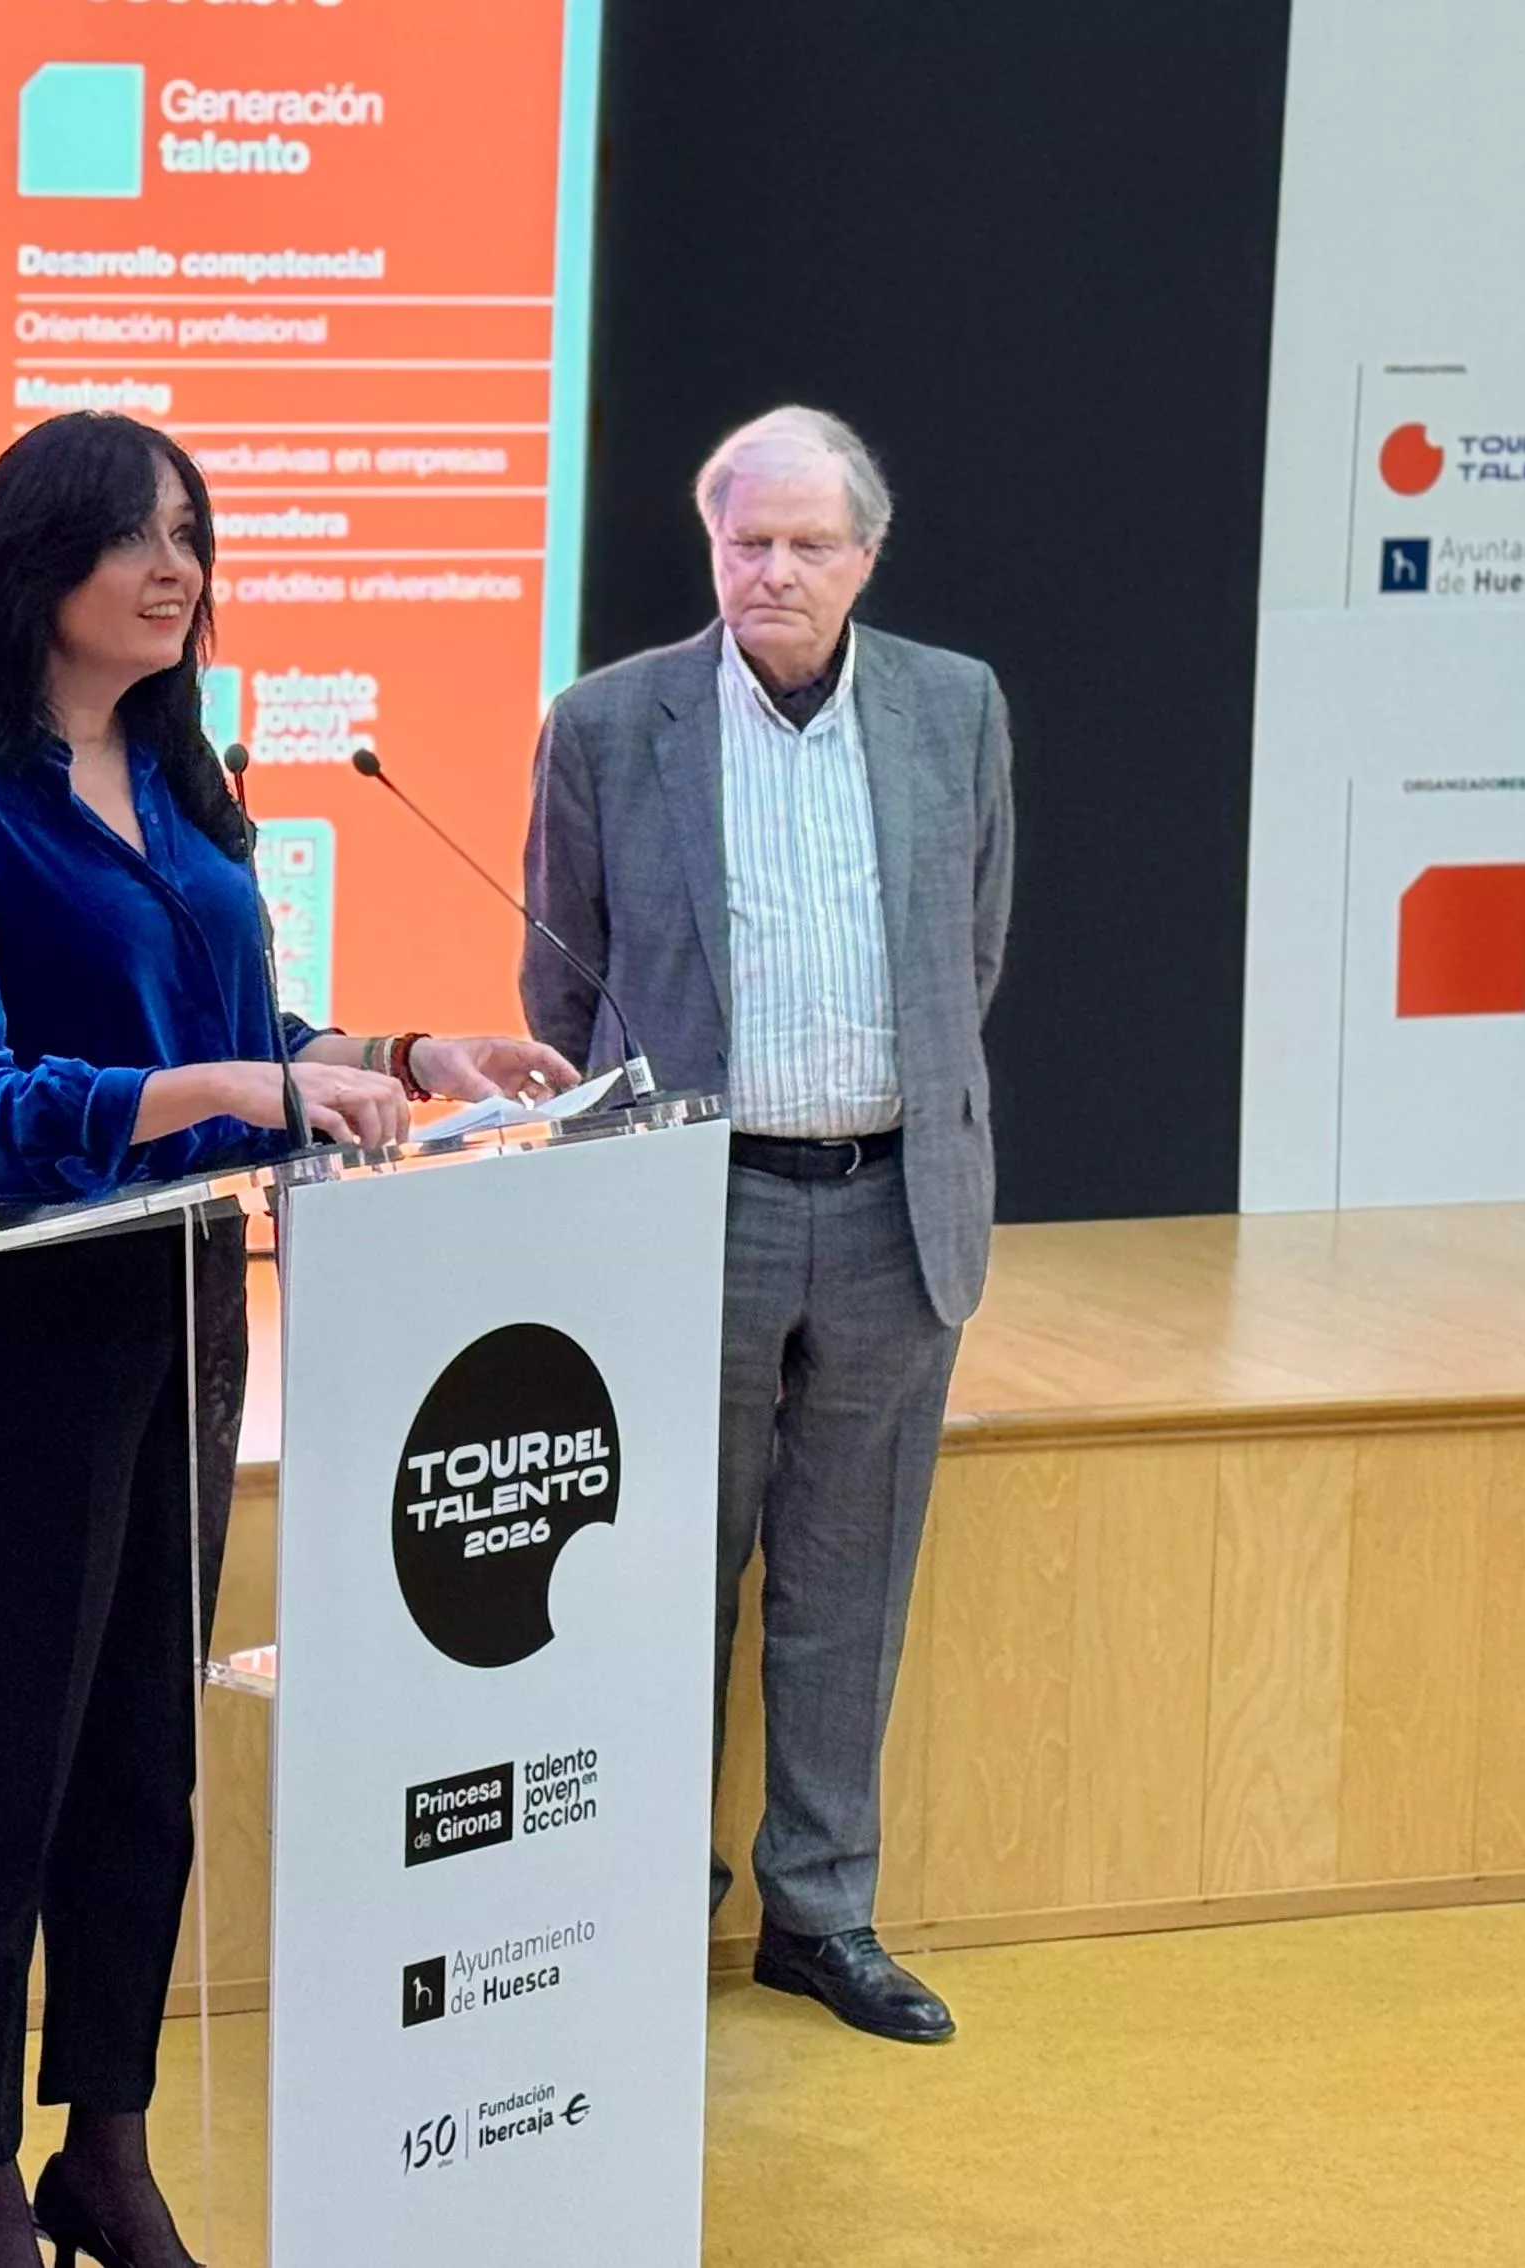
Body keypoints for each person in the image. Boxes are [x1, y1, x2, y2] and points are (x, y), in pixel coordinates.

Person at [0, 411, 576, 2268]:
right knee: (3, 1751)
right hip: (9, 1328)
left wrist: (399, 1060)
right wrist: (220, 1082)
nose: (179, 569)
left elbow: (242, 1030)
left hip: (176, 1310)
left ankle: (109, 2139)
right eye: (139, 538)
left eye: (193, 538)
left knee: (143, 1749)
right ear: (35, 558)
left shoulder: (176, 773)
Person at [518, 405, 1015, 2045]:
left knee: (847, 1578)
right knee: (671, 1579)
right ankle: (652, 1915)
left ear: (867, 556)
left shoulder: (956, 709)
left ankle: (822, 1913)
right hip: (695, 1208)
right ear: (709, 548)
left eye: (810, 545)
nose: (775, 572)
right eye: (749, 543)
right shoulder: (605, 724)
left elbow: (973, 957)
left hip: (892, 1207)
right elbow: (564, 982)